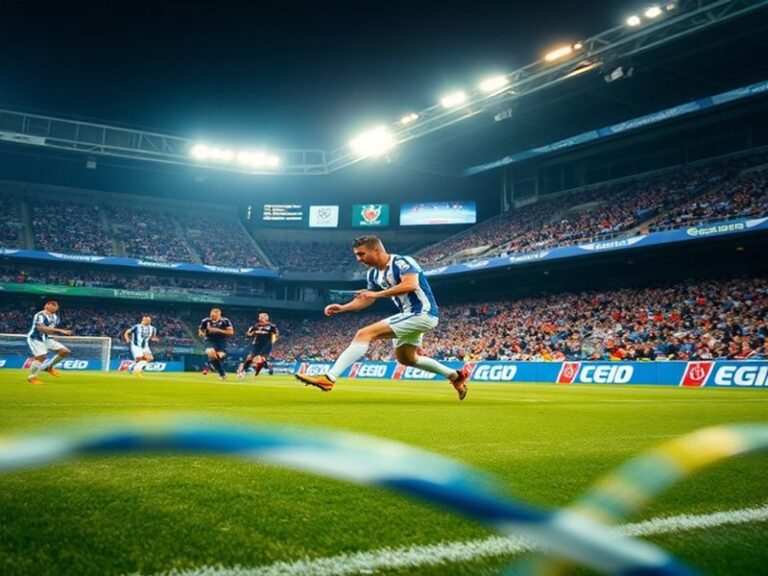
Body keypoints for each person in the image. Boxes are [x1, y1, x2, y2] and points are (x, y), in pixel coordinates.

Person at [294, 235, 469, 400]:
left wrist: (376, 295)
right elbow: (366, 299)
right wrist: (343, 307)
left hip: (422, 313)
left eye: (361, 254)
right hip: (408, 316)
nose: (359, 259)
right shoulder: (373, 274)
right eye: (356, 255)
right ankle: (456, 376)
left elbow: (410, 284)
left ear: (376, 250)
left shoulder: (402, 262)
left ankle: (329, 378)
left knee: (363, 334)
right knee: (407, 359)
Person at [26, 300, 73, 385]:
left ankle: (48, 367)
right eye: (53, 306)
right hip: (36, 338)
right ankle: (32, 377)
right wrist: (61, 331)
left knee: (65, 351)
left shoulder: (54, 317)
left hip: (47, 339)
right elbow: (41, 328)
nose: (55, 308)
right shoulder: (39, 315)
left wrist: (53, 338)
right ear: (46, 306)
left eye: (56, 306)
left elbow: (50, 330)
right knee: (41, 357)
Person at [238, 311, 279, 379]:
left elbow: (276, 334)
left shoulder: (271, 326)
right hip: (257, 344)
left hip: (266, 343)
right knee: (250, 357)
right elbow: (248, 334)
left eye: (262, 317)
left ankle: (261, 368)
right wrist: (251, 333)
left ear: (266, 318)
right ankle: (243, 371)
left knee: (260, 358)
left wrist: (273, 341)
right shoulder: (255, 326)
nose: (260, 318)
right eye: (260, 317)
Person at [198, 308, 234, 380]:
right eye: (211, 315)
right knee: (211, 352)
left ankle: (209, 364)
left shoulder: (225, 321)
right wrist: (202, 334)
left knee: (219, 356)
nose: (212, 317)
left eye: (214, 316)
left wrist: (218, 330)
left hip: (221, 342)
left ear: (219, 315)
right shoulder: (205, 321)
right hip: (210, 341)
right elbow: (200, 330)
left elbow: (231, 332)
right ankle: (222, 373)